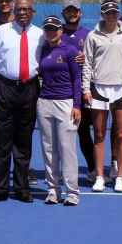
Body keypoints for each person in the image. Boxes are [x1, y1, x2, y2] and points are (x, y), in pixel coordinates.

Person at [0, 0, 44, 203]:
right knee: (2, 142)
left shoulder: (41, 35)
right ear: (15, 10)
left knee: (24, 142)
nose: (23, 12)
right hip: (4, 88)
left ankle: (22, 188)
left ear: (33, 12)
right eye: (20, 9)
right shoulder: (0, 32)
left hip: (29, 90)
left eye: (27, 9)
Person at [82, 0, 122, 193]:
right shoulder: (92, 36)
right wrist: (86, 89)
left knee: (121, 134)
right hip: (98, 90)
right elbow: (87, 63)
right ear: (102, 14)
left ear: (118, 14)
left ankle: (119, 177)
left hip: (121, 89)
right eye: (108, 12)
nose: (111, 15)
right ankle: (100, 176)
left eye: (114, 12)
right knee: (99, 134)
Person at [36, 16, 83, 205]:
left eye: (54, 28)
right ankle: (53, 189)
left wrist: (77, 105)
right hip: (44, 103)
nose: (51, 32)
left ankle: (72, 192)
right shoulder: (41, 50)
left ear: (61, 30)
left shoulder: (71, 50)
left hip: (66, 103)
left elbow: (77, 79)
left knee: (67, 149)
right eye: (47, 29)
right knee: (49, 149)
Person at [61, 0, 95, 183]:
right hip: (63, 93)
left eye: (75, 10)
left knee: (85, 133)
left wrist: (87, 60)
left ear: (80, 13)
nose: (72, 13)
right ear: (63, 13)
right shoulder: (57, 34)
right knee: (64, 135)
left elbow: (98, 60)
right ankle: (63, 173)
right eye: (68, 10)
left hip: (85, 92)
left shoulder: (89, 35)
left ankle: (93, 168)